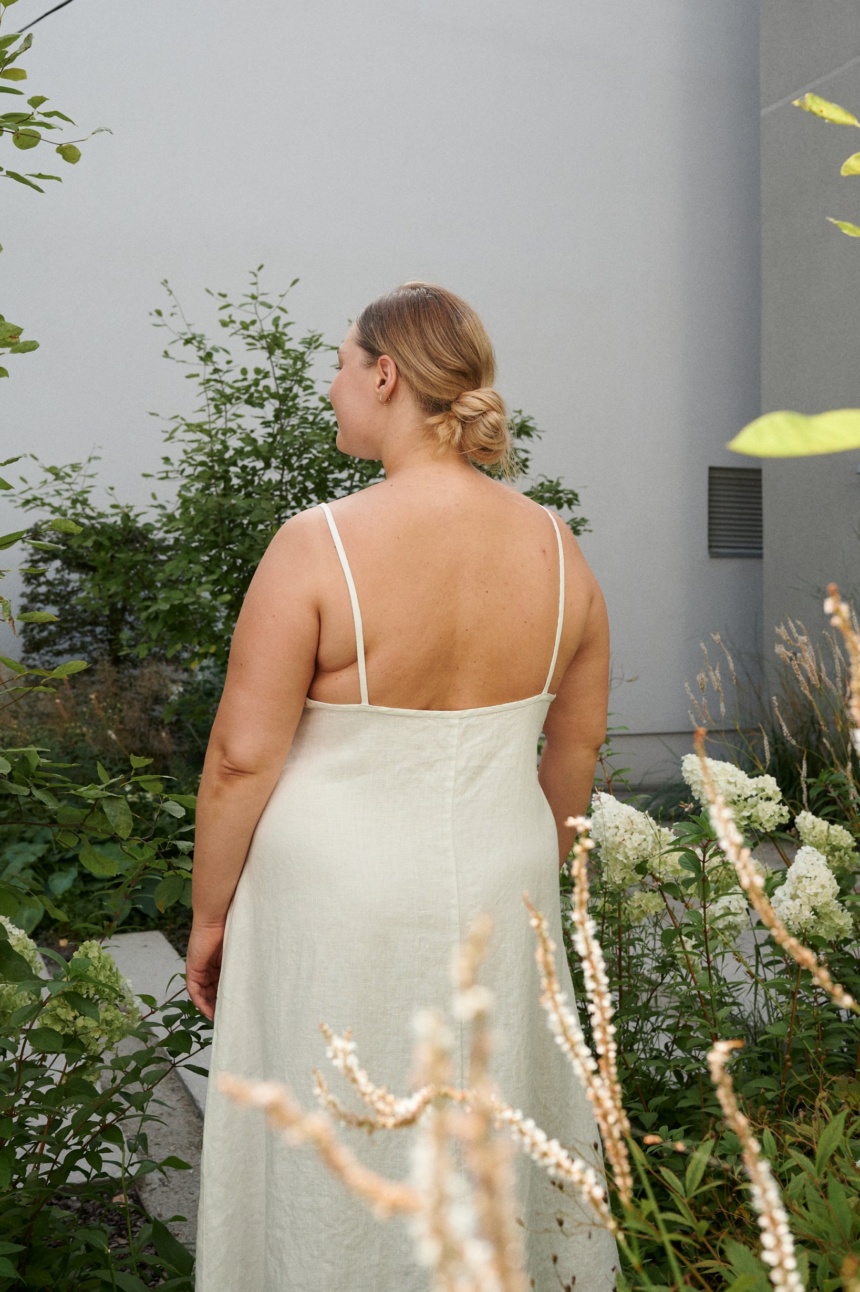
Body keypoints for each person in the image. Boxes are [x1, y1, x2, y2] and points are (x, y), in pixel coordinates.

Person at [188, 282, 618, 1290]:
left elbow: (240, 759)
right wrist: (527, 881)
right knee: (486, 1119)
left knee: (334, 1127)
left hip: (332, 890)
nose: (331, 385)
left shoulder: (319, 543)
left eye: (341, 362)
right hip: (503, 886)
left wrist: (210, 916)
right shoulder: (557, 550)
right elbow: (576, 748)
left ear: (385, 374)